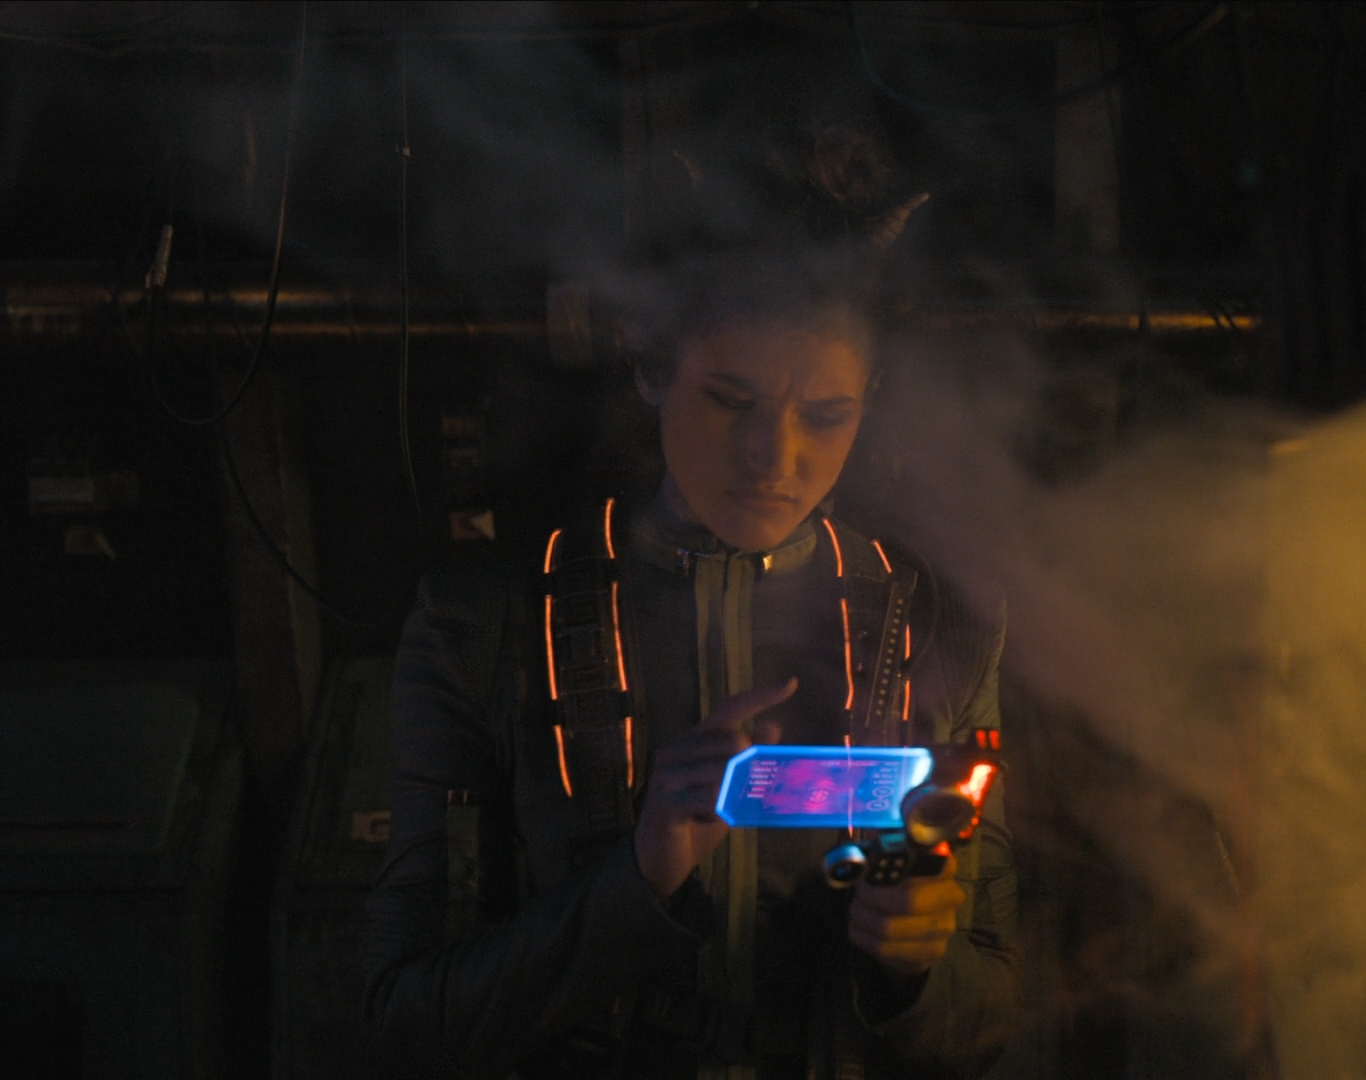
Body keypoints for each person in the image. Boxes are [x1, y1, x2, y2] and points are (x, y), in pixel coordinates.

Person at [364, 136, 1016, 1079]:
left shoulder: (941, 626)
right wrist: (641, 876)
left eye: (824, 416)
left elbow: (998, 1018)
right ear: (648, 367)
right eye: (728, 400)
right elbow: (408, 1023)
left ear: (868, 401)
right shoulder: (485, 627)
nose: (773, 458)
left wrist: (914, 969)